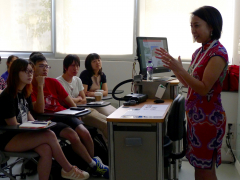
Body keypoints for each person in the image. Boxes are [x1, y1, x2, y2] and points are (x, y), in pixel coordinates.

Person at [155, 6, 228, 180]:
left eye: (197, 25)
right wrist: (176, 70)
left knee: (205, 170)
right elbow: (189, 83)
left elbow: (203, 88)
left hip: (209, 121)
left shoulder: (218, 53)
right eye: (191, 26)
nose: (193, 31)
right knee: (199, 168)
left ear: (211, 27)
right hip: (196, 119)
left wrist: (180, 69)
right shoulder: (200, 52)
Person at [0, 59, 90, 180]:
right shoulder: (8, 95)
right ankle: (68, 169)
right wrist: (36, 130)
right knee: (49, 135)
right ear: (16, 73)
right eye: (26, 71)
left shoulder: (25, 92)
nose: (30, 74)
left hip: (23, 134)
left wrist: (40, 124)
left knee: (46, 149)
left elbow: (29, 117)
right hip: (8, 138)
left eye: (31, 71)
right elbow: (12, 126)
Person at [29, 54, 109, 179]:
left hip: (64, 114)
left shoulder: (53, 82)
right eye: (41, 66)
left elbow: (69, 101)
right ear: (32, 68)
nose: (45, 69)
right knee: (72, 135)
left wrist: (77, 114)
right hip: (48, 118)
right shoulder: (29, 87)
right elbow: (39, 110)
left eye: (47, 66)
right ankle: (94, 165)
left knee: (85, 133)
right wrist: (40, 86)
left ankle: (90, 165)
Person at [56, 54, 108, 139]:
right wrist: (77, 99)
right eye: (73, 65)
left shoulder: (77, 80)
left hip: (84, 109)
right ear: (65, 67)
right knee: (105, 125)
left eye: (77, 66)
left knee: (109, 121)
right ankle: (111, 151)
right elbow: (62, 102)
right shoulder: (58, 82)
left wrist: (73, 100)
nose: (75, 68)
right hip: (73, 114)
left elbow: (84, 100)